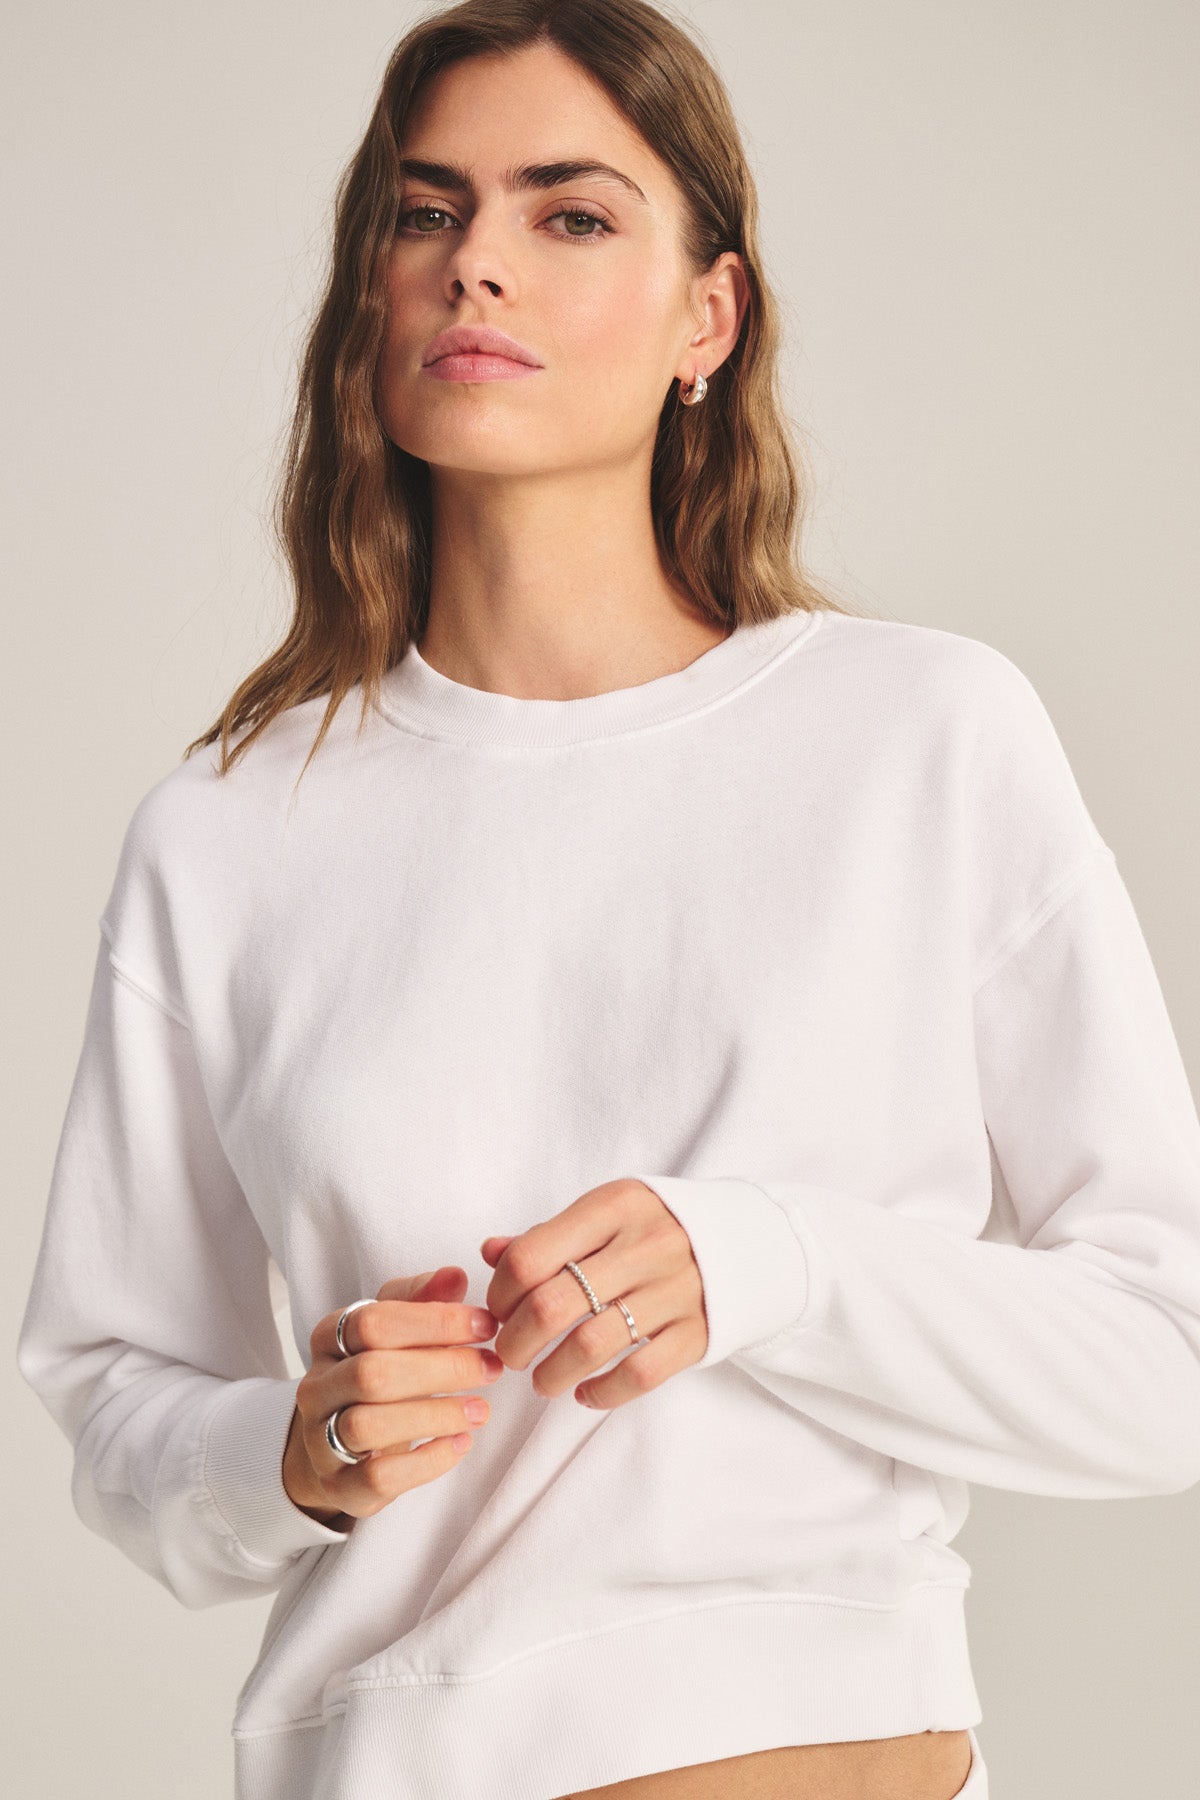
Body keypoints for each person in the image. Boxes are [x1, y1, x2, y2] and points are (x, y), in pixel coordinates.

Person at [17, 3, 1200, 1797]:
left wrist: (767, 1261)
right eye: (425, 215)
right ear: (371, 294)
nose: (476, 264)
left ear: (707, 318)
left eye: (568, 215)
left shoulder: (916, 737)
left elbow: (1164, 1355)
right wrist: (294, 1446)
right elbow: (115, 1398)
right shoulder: (231, 827)